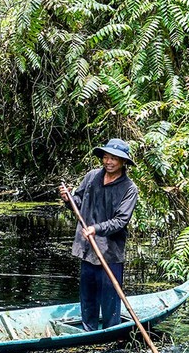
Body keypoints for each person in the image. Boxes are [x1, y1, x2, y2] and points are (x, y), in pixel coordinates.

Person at [59, 138, 139, 332]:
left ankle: (111, 336)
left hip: (109, 252)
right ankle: (88, 333)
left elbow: (121, 221)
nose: (108, 162)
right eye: (106, 157)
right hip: (88, 250)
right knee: (88, 299)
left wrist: (96, 229)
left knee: (111, 303)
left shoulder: (129, 189)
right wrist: (68, 198)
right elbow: (78, 202)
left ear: (123, 162)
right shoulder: (92, 176)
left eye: (114, 159)